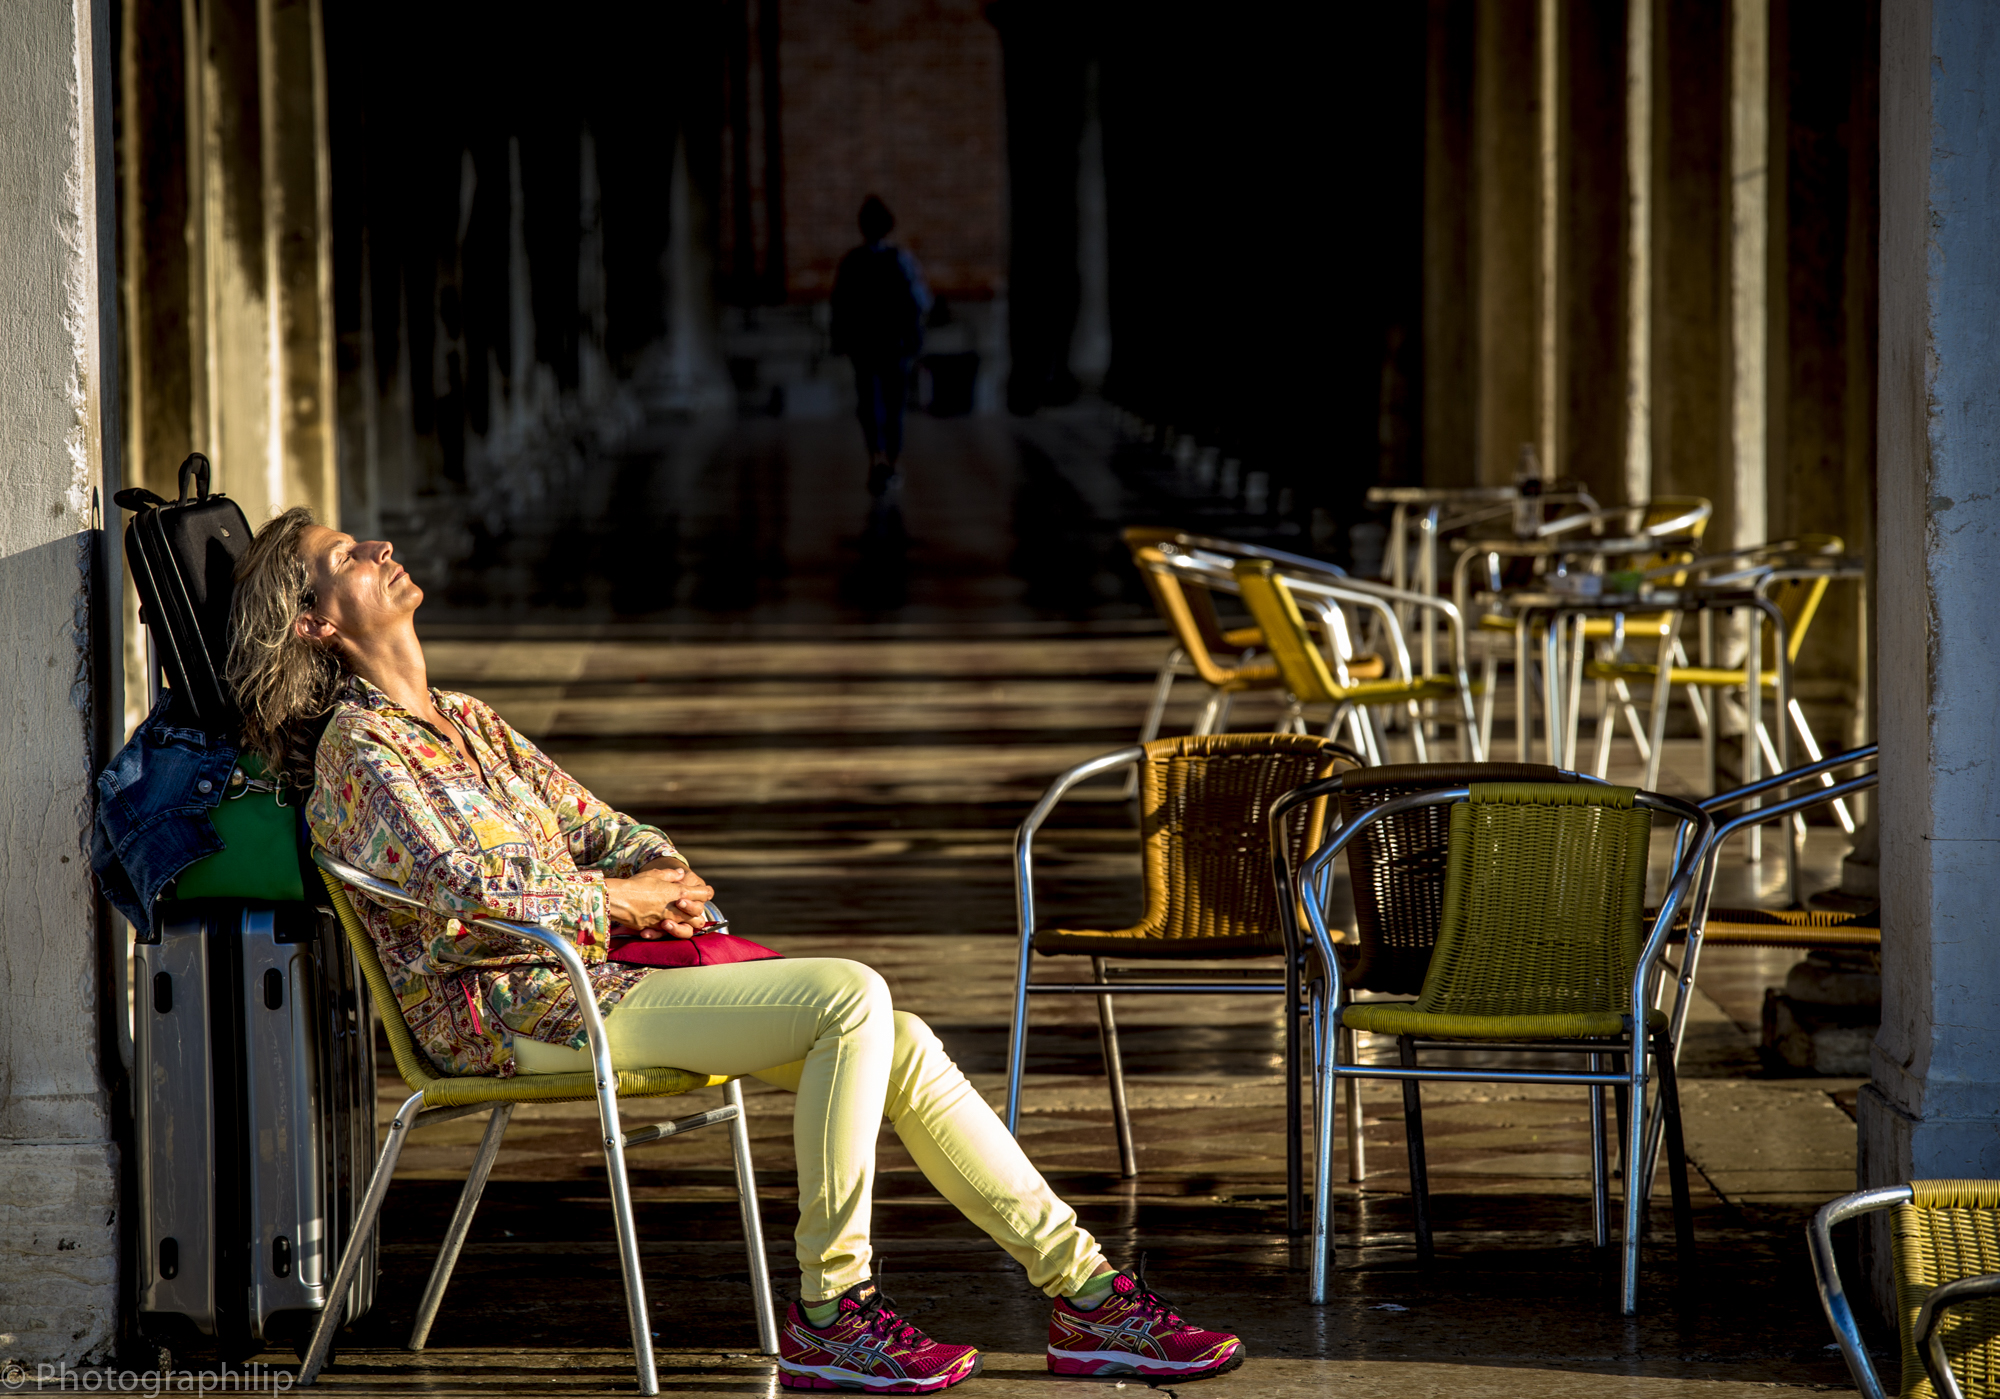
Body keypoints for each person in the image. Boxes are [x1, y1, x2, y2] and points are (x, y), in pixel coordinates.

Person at [224, 508, 1245, 1395]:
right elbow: (474, 897)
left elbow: (600, 823)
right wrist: (619, 904)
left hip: (598, 979)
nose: (382, 548)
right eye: (349, 554)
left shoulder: (464, 722)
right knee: (853, 998)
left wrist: (665, 881)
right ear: (316, 621)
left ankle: (1088, 1295)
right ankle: (833, 1314)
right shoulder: (365, 752)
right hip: (517, 1011)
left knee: (902, 1034)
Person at [830, 195, 929, 498]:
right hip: (895, 343)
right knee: (894, 404)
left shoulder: (852, 262)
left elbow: (840, 306)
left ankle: (877, 459)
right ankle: (894, 463)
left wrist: (840, 339)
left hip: (864, 343)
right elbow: (920, 301)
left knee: (870, 403)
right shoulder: (901, 260)